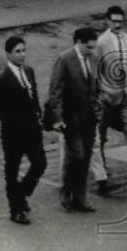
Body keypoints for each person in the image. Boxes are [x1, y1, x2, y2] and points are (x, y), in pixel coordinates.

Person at [0, 37, 47, 225]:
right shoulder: (0, 78)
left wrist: (38, 116)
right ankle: (16, 209)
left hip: (32, 128)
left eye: (24, 50)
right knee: (12, 169)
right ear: (8, 54)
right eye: (18, 51)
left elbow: (34, 98)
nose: (22, 55)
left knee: (40, 163)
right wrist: (16, 122)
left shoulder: (29, 71)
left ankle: (20, 193)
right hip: (13, 132)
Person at [45, 27, 99, 213]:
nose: (92, 51)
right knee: (76, 155)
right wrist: (57, 118)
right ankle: (66, 194)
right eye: (89, 47)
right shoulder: (65, 59)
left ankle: (80, 199)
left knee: (85, 159)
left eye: (93, 47)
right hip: (71, 119)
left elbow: (94, 86)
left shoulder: (92, 58)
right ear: (79, 43)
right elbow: (55, 91)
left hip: (89, 118)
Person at [92, 5, 127, 196]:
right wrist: (99, 94)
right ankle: (101, 178)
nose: (117, 24)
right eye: (114, 21)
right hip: (105, 97)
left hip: (124, 96)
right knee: (99, 139)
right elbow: (95, 69)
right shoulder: (101, 42)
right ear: (107, 21)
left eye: (120, 21)